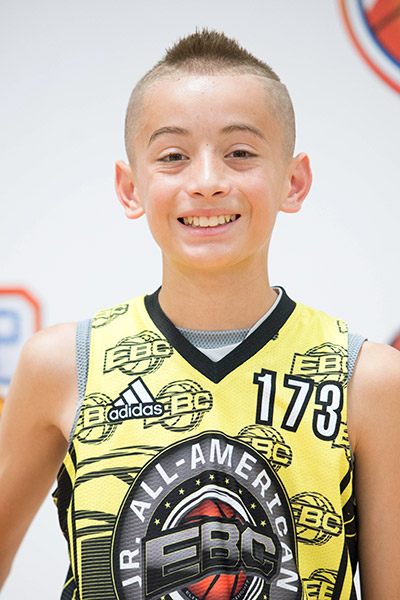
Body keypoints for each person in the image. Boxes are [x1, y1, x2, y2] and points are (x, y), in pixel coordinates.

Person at [0, 29, 399, 600]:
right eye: (173, 157)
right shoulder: (65, 364)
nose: (208, 182)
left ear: (293, 181)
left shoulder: (369, 379)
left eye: (240, 153)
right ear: (130, 187)